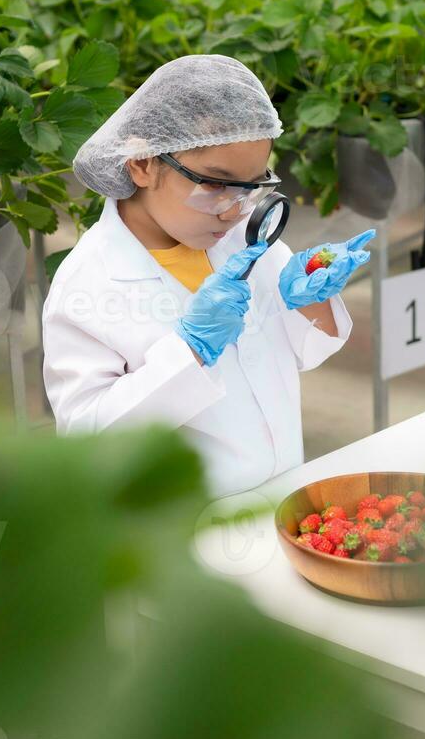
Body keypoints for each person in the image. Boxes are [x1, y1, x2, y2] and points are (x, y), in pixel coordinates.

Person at [42, 54, 374, 497]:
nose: (235, 209)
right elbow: (90, 440)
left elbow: (305, 352)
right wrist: (190, 350)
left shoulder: (242, 241)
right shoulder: (89, 282)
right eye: (215, 183)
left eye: (252, 185)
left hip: (281, 494)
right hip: (184, 526)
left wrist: (308, 296)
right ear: (142, 163)